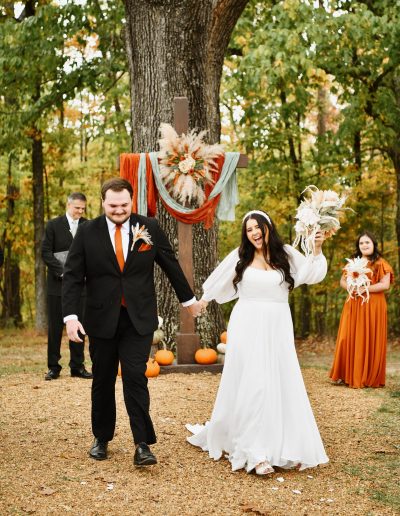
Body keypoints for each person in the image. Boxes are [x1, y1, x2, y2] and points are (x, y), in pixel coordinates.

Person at [62, 178, 202, 466]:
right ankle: (102, 437)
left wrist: (188, 301)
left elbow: (169, 262)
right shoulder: (88, 231)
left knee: (136, 378)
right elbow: (73, 276)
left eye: (124, 204)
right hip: (100, 320)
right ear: (103, 203)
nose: (118, 210)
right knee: (101, 379)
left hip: (138, 319)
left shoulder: (147, 227)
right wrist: (71, 317)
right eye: (113, 205)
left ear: (132, 202)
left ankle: (142, 444)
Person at [186, 210, 329, 475]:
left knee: (281, 381)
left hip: (277, 324)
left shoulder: (284, 253)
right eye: (249, 229)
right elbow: (219, 280)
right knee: (254, 383)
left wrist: (317, 248)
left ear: (268, 227)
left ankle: (287, 445)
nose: (254, 233)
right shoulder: (241, 256)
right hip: (247, 323)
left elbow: (311, 273)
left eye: (258, 227)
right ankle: (254, 452)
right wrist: (203, 300)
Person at [329, 231, 394, 388]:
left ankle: (368, 376)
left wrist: (365, 289)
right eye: (361, 243)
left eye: (367, 242)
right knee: (347, 336)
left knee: (369, 336)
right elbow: (342, 281)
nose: (364, 245)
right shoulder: (353, 263)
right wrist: (351, 287)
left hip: (373, 306)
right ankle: (347, 374)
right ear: (358, 246)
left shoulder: (380, 263)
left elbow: (385, 285)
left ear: (373, 244)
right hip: (353, 303)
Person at [41, 192, 92, 381]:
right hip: (57, 286)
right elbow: (46, 252)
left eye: (83, 208)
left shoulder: (88, 225)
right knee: (55, 328)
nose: (80, 211)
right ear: (68, 205)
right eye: (77, 207)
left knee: (79, 326)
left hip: (81, 287)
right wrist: (62, 272)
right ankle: (53, 367)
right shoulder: (53, 225)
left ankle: (77, 366)